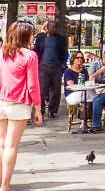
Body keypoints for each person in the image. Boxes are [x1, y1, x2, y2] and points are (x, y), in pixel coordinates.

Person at [0, 22, 43, 191]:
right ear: (25, 36)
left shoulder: (2, 53)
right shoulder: (29, 55)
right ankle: (5, 186)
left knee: (1, 144)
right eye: (32, 34)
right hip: (19, 103)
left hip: (1, 101)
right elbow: (33, 85)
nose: (33, 37)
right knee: (11, 146)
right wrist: (38, 108)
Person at [33, 21, 68, 118]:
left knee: (55, 90)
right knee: (42, 90)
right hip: (43, 67)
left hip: (56, 67)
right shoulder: (40, 38)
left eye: (56, 27)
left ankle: (52, 110)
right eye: (53, 27)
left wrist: (62, 64)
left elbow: (65, 53)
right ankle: (41, 111)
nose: (55, 29)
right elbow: (36, 51)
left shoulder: (61, 39)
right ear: (47, 28)